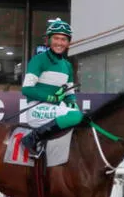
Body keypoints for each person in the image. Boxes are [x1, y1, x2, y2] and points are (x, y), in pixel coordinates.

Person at [20, 18, 84, 156]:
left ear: (68, 43)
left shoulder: (67, 66)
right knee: (76, 116)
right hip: (36, 109)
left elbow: (69, 96)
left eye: (63, 39)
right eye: (56, 38)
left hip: (53, 109)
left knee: (81, 118)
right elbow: (26, 89)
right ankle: (32, 138)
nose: (59, 43)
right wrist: (50, 97)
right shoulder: (38, 60)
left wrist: (77, 112)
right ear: (48, 40)